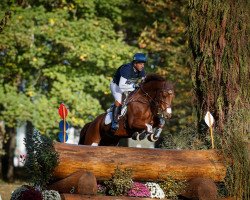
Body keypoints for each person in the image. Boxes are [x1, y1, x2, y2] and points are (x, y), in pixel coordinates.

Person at [110, 53, 147, 131]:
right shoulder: (126, 69)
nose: (142, 66)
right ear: (135, 63)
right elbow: (121, 85)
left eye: (143, 64)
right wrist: (135, 86)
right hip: (116, 86)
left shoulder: (141, 70)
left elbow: (145, 82)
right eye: (140, 64)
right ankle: (114, 122)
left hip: (129, 86)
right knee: (119, 101)